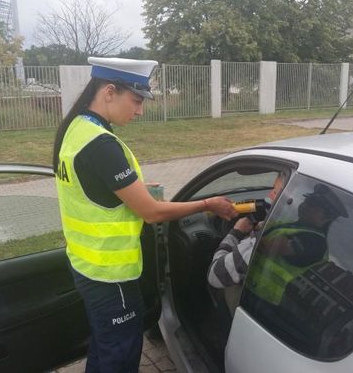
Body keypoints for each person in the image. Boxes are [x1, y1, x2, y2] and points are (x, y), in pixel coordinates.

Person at [53, 57, 237, 373]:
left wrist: (131, 187)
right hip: (112, 277)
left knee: (104, 344)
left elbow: (92, 186)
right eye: (136, 100)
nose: (139, 111)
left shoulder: (76, 128)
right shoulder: (101, 144)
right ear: (109, 91)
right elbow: (152, 213)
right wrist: (208, 205)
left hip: (86, 265)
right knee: (120, 357)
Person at [207, 172, 285, 312]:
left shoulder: (268, 239)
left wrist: (236, 233)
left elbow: (215, 275)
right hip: (275, 307)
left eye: (275, 192)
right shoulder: (309, 236)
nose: (269, 196)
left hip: (251, 308)